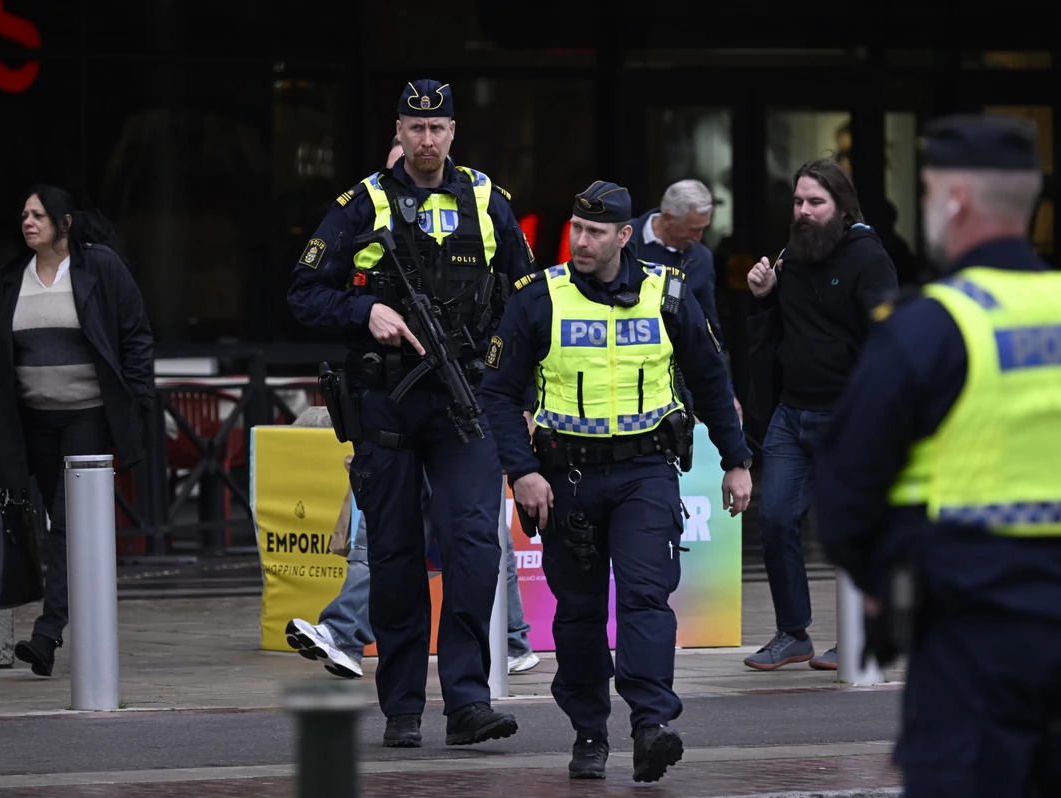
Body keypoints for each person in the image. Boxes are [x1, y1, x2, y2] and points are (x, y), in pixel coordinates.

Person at [815, 114, 1061, 796]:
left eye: (931, 191)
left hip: (971, 650)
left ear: (956, 200)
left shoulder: (931, 325)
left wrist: (882, 587)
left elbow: (845, 487)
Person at [286, 79, 536, 749]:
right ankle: (401, 707)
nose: (427, 141)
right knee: (394, 559)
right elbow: (303, 292)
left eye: (438, 129)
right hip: (387, 405)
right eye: (415, 129)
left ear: (453, 132)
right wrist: (364, 310)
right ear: (398, 131)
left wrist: (529, 398)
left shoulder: (487, 201)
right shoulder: (360, 204)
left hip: (467, 404)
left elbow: (528, 303)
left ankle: (467, 702)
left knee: (474, 548)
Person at [481, 181, 754, 782]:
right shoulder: (537, 297)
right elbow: (496, 394)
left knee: (644, 598)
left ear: (625, 236)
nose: (582, 240)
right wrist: (521, 471)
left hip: (644, 472)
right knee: (578, 613)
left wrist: (737, 460)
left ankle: (652, 725)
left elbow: (711, 379)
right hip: (566, 476)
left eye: (596, 232)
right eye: (577, 228)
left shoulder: (668, 294)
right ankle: (589, 732)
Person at [0, 184, 154, 677]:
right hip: (29, 421)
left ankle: (47, 632)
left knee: (66, 523)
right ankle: (55, 620)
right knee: (42, 525)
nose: (28, 222)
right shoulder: (11, 279)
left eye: (38, 214)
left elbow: (136, 334)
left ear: (65, 222)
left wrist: (138, 398)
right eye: (24, 215)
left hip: (86, 415)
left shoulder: (99, 268)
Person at [743, 159, 897, 672]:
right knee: (775, 518)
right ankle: (794, 634)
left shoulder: (867, 258)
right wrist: (764, 298)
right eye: (798, 202)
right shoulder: (793, 255)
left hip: (847, 415)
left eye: (815, 202)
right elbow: (775, 333)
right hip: (793, 412)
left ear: (841, 207)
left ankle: (858, 635)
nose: (804, 211)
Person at [628, 178, 741, 423]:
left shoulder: (701, 258)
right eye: (693, 230)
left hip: (676, 388)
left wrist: (726, 393)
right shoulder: (623, 240)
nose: (699, 238)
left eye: (703, 229)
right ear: (668, 217)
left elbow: (709, 331)